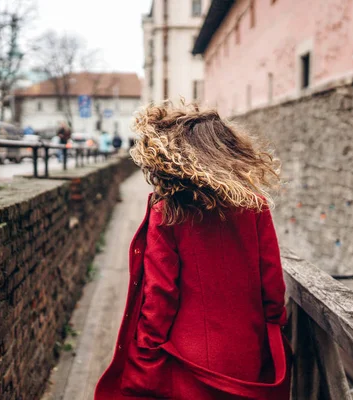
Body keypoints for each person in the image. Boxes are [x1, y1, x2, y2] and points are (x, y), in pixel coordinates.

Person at [94, 102, 291, 400]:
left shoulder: (170, 211)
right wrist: (275, 328)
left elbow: (160, 292)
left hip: (189, 362)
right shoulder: (255, 204)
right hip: (248, 354)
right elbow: (273, 285)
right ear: (227, 151)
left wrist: (146, 349)